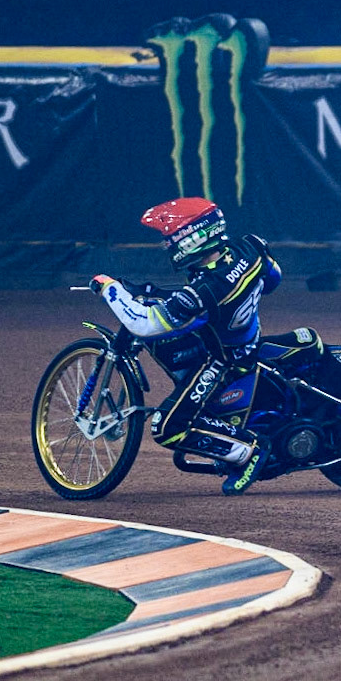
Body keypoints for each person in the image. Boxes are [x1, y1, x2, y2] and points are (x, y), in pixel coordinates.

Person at [88, 197, 283, 495]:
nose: (167, 245)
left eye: (171, 238)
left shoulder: (205, 290)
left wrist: (109, 289)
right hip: (246, 337)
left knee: (166, 427)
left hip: (223, 360)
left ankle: (247, 450)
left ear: (194, 238)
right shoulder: (251, 246)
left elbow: (144, 324)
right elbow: (273, 280)